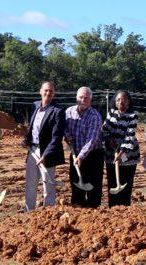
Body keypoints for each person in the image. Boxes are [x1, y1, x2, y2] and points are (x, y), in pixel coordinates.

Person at [23, 81, 66, 211]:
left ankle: (48, 212)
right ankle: (28, 211)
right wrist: (27, 140)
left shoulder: (58, 111)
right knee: (30, 184)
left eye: (51, 91)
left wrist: (45, 155)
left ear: (54, 93)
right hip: (33, 150)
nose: (48, 93)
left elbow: (56, 137)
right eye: (46, 90)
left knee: (48, 185)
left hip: (47, 152)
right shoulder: (35, 106)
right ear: (40, 91)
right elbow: (31, 128)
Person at [65, 87, 104, 208]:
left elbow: (91, 140)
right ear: (76, 98)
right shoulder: (69, 112)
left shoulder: (94, 116)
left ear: (90, 100)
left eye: (86, 98)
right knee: (76, 183)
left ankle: (92, 212)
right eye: (80, 97)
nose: (83, 100)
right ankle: (78, 209)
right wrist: (66, 135)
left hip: (93, 155)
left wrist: (81, 156)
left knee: (93, 186)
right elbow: (63, 126)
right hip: (75, 152)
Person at [103, 90, 140, 207]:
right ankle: (113, 210)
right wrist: (109, 141)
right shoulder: (111, 113)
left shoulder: (133, 116)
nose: (121, 102)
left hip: (128, 156)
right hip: (111, 154)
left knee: (126, 184)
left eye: (124, 100)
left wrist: (122, 151)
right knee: (112, 182)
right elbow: (105, 129)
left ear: (128, 102)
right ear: (115, 101)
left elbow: (130, 135)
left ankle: (125, 209)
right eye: (118, 100)